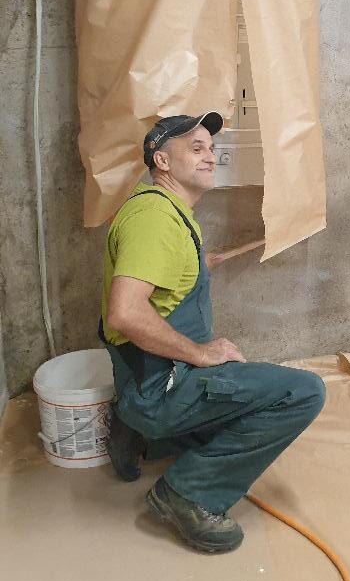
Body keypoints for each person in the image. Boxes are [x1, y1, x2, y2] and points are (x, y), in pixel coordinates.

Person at [100, 112, 326, 553]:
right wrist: (201, 354)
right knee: (302, 393)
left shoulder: (162, 209)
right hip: (161, 385)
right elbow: (125, 313)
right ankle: (187, 493)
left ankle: (138, 429)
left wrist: (198, 263)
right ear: (162, 161)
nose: (210, 156)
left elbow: (156, 271)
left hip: (145, 376)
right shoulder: (155, 221)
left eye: (211, 148)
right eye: (196, 148)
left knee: (233, 414)